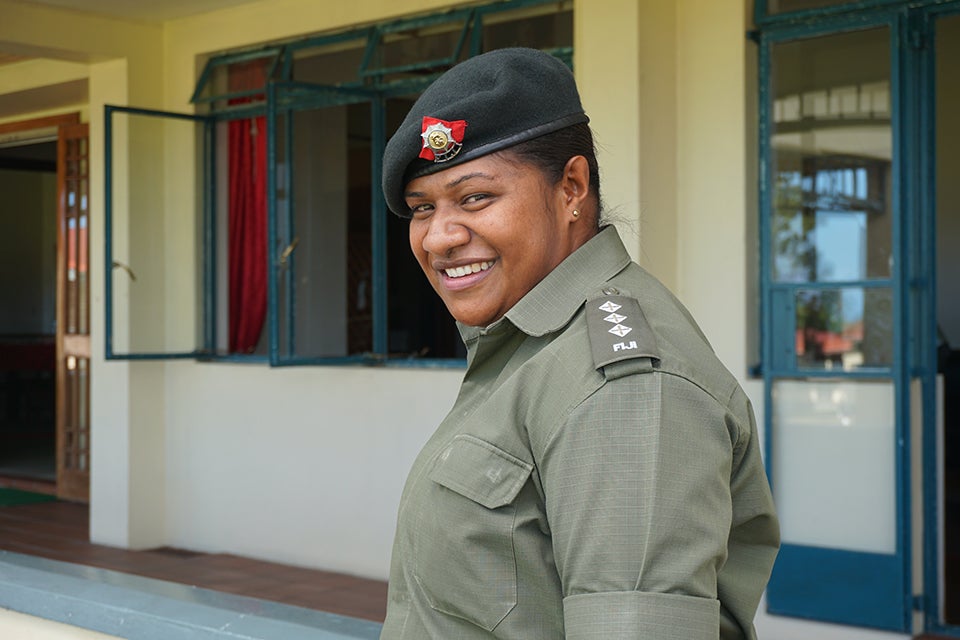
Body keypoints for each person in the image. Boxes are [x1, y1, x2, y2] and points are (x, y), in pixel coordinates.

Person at [379, 47, 779, 640]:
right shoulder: (530, 345)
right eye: (421, 209)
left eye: (475, 198)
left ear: (571, 187)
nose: (439, 237)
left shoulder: (623, 386)